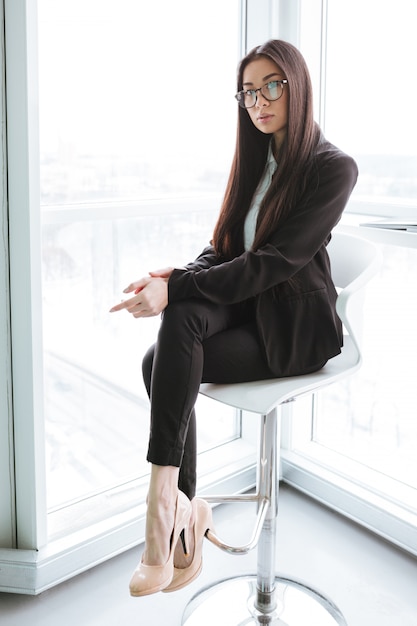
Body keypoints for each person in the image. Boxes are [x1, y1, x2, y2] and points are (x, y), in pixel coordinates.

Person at [109, 39, 358, 597]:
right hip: (249, 306)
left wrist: (175, 287)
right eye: (248, 91)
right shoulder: (257, 156)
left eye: (272, 85)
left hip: (297, 328)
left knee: (167, 348)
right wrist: (180, 276)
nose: (259, 101)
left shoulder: (333, 167)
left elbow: (271, 264)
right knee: (171, 340)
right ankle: (180, 505)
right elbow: (223, 247)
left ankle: (164, 517)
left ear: (298, 85)